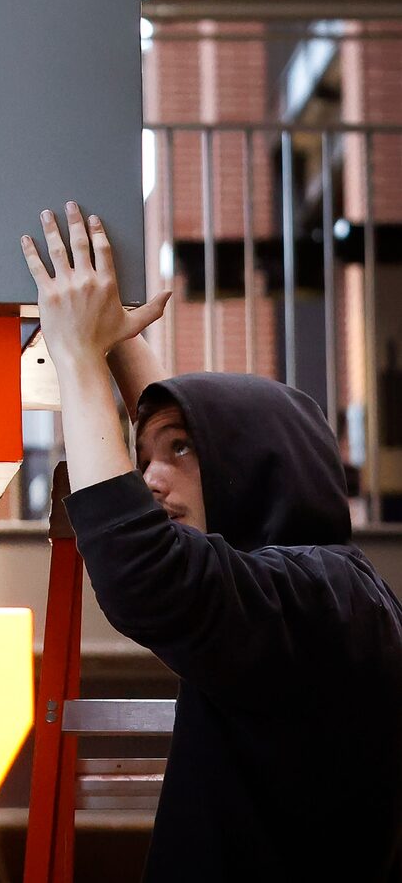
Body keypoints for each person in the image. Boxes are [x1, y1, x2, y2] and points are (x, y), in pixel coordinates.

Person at [24, 200, 402, 881]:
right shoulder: (314, 593)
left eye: (181, 450)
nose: (150, 479)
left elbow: (146, 576)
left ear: (257, 463)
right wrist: (114, 340)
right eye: (143, 459)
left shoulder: (324, 598)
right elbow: (186, 521)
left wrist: (79, 356)